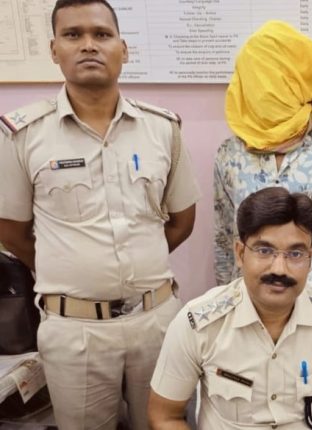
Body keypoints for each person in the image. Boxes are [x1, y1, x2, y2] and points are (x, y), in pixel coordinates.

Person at [0, 0, 200, 428]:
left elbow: (183, 221)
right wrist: (68, 270)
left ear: (123, 49)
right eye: (73, 35)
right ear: (54, 49)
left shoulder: (162, 128)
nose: (88, 45)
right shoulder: (23, 134)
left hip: (156, 323)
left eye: (102, 34)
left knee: (165, 423)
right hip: (75, 332)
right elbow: (12, 232)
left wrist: (139, 263)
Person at [149, 187, 312, 429]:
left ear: (310, 258)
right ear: (240, 253)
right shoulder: (197, 323)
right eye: (264, 251)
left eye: (295, 253)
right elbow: (164, 416)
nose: (279, 268)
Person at [214, 20, 312, 291]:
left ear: (293, 78)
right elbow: (225, 240)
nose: (265, 87)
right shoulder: (229, 154)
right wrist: (226, 303)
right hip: (252, 299)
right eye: (257, 76)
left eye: (274, 76)